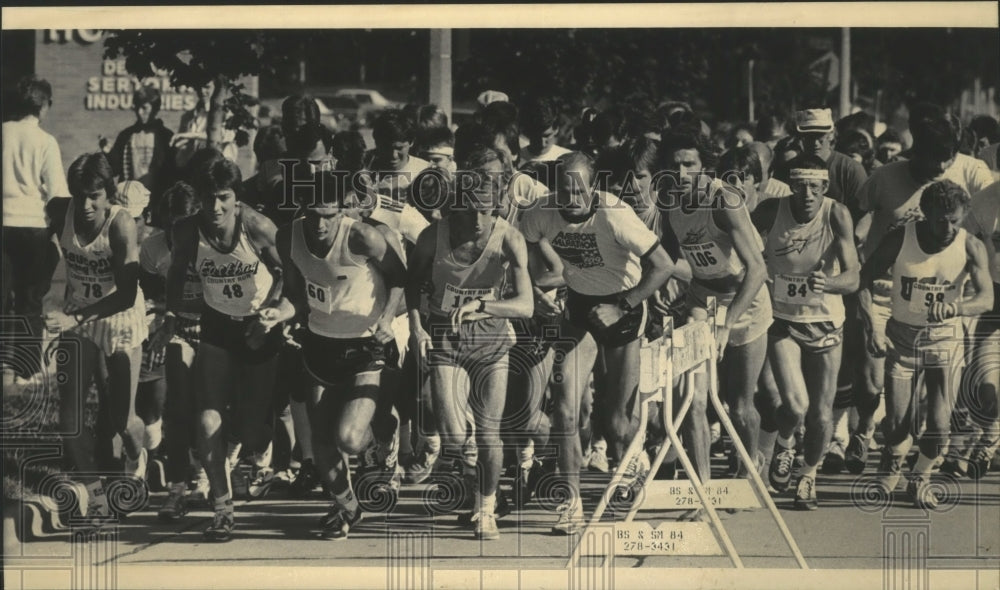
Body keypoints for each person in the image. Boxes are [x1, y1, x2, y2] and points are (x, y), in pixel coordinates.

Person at [519, 152, 676, 534]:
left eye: (579, 189)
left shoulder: (614, 214)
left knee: (618, 422)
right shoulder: (540, 212)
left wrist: (623, 306)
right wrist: (535, 292)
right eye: (564, 189)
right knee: (566, 411)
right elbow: (523, 259)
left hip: (624, 306)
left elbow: (665, 266)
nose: (571, 197)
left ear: (594, 187)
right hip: (579, 309)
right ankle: (571, 503)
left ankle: (633, 459)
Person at [258, 170, 406, 539]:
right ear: (302, 211)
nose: (321, 224)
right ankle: (347, 509)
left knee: (350, 438)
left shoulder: (364, 237)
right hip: (321, 346)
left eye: (329, 215)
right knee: (322, 447)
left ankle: (382, 443)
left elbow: (402, 278)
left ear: (344, 211)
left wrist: (387, 318)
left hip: (367, 344)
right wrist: (278, 313)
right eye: (313, 214)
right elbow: (296, 297)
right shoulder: (287, 237)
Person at [846, 114, 992, 475]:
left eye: (948, 159)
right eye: (934, 159)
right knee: (871, 385)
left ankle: (917, 464)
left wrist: (963, 296)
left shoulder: (971, 172)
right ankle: (867, 427)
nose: (942, 167)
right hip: (884, 295)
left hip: (944, 299)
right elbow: (850, 227)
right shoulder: (884, 177)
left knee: (932, 406)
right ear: (916, 152)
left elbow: (985, 229)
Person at [161, 149, 283, 541]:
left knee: (251, 430)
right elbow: (177, 272)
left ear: (236, 198)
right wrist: (171, 314)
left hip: (260, 325)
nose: (215, 207)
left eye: (224, 198)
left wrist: (271, 312)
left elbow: (287, 274)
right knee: (207, 418)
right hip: (216, 326)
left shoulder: (258, 226)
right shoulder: (186, 231)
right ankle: (222, 509)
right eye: (209, 197)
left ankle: (248, 448)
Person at [406, 169, 534, 539]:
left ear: (496, 207)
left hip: (492, 345)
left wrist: (484, 304)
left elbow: (525, 305)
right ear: (453, 209)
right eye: (468, 211)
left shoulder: (509, 237)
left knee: (489, 434)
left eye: (484, 211)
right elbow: (412, 284)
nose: (477, 220)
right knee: (454, 435)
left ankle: (487, 507)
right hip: (446, 339)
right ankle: (472, 474)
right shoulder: (434, 236)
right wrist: (416, 328)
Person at [858, 180, 993, 507]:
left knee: (939, 425)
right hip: (902, 341)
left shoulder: (970, 245)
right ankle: (892, 458)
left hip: (944, 342)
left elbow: (987, 298)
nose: (948, 228)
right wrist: (873, 329)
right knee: (896, 425)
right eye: (941, 220)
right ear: (925, 213)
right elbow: (862, 281)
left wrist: (958, 307)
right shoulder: (900, 238)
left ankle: (920, 477)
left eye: (955, 220)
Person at [659, 130, 772, 483]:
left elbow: (758, 270)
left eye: (689, 165)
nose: (680, 174)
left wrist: (727, 324)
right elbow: (669, 253)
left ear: (704, 166)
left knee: (740, 407)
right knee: (694, 398)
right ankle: (702, 489)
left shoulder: (725, 201)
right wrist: (659, 281)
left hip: (745, 301)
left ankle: (747, 472)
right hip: (701, 300)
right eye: (674, 165)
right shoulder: (670, 200)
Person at [751, 155, 860, 509]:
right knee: (795, 406)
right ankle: (784, 442)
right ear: (790, 186)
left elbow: (853, 277)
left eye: (815, 186)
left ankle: (808, 476)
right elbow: (741, 249)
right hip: (782, 321)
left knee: (821, 415)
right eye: (800, 186)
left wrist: (827, 282)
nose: (807, 194)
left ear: (825, 187)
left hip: (826, 323)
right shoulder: (770, 212)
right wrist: (759, 273)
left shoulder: (836, 214)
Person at [44, 153, 149, 487]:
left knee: (123, 419)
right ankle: (95, 498)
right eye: (80, 196)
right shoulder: (60, 211)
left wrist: (73, 319)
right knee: (69, 420)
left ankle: (136, 456)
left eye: (95, 196)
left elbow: (127, 295)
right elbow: (40, 254)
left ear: (109, 193)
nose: (86, 205)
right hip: (79, 316)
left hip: (120, 317)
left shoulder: (121, 224)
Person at [140, 181, 210, 519]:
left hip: (215, 329)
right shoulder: (154, 249)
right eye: (171, 224)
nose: (177, 231)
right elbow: (149, 292)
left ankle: (210, 474)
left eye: (185, 222)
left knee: (207, 407)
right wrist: (158, 320)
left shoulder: (213, 241)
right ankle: (178, 486)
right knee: (178, 408)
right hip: (176, 327)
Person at [3, 75, 70, 381]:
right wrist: (56, 233)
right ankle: (25, 370)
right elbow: (58, 194)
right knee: (30, 299)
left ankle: (3, 367)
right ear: (44, 106)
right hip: (32, 227)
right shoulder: (45, 142)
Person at [108, 85, 175, 215]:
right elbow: (114, 169)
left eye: (144, 108)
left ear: (155, 108)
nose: (139, 112)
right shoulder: (126, 135)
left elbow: (172, 173)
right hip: (129, 202)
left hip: (158, 201)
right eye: (137, 107)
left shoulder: (166, 136)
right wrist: (108, 153)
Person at [794, 108, 868, 222]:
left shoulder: (851, 169)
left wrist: (851, 239)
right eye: (809, 136)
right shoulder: (789, 168)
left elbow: (865, 216)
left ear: (831, 135)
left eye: (820, 136)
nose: (815, 143)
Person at [520, 98, 571, 164]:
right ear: (529, 132)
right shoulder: (515, 159)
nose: (542, 143)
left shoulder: (568, 160)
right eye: (537, 136)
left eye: (547, 136)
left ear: (556, 130)